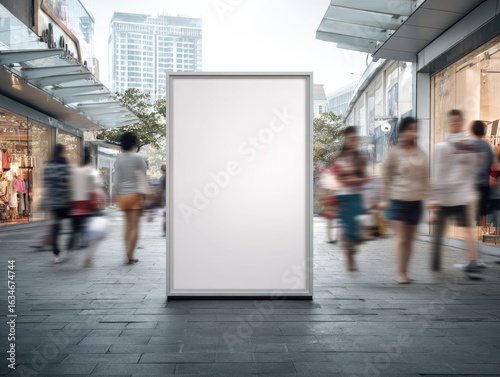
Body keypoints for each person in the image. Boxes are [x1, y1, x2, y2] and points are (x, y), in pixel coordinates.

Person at [429, 110, 483, 273]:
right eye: (452, 121)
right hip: (445, 196)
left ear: (461, 122)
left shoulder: (468, 144)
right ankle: (436, 263)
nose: (455, 123)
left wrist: (465, 153)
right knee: (439, 232)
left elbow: (475, 165)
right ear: (448, 123)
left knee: (467, 229)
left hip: (463, 195)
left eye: (458, 121)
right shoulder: (442, 146)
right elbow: (437, 172)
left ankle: (473, 261)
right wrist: (435, 198)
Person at [380, 117, 429, 284]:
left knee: (410, 239)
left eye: (415, 129)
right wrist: (384, 199)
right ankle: (400, 272)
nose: (412, 133)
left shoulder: (420, 153)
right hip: (397, 200)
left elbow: (425, 178)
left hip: (416, 201)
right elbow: (386, 177)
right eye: (409, 129)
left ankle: (405, 271)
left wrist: (429, 200)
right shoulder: (394, 153)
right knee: (401, 238)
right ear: (401, 132)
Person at [332, 126, 371, 271]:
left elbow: (365, 178)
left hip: (358, 197)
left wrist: (353, 178)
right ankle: (349, 257)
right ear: (345, 140)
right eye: (350, 139)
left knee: (358, 231)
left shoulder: (361, 158)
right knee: (348, 227)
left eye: (356, 139)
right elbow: (341, 181)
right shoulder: (339, 159)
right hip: (343, 197)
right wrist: (356, 179)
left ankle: (351, 253)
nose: (353, 141)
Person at [114, 132, 148, 264]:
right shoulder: (139, 158)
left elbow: (116, 180)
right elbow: (143, 178)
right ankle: (130, 255)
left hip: (123, 196)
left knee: (127, 226)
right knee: (135, 227)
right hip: (135, 195)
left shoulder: (119, 159)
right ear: (135, 143)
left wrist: (119, 195)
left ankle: (126, 251)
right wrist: (144, 198)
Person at [67, 147, 102, 266]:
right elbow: (96, 189)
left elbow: (70, 188)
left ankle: (70, 255)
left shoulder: (75, 171)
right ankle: (88, 258)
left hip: (75, 207)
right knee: (93, 233)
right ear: (90, 159)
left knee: (74, 231)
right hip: (88, 207)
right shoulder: (91, 171)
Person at [43, 144, 72, 263]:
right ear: (62, 152)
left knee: (56, 228)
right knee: (75, 226)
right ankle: (69, 249)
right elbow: (68, 183)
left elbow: (46, 185)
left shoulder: (48, 167)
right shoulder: (64, 165)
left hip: (53, 202)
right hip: (65, 202)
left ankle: (56, 254)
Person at [471, 121, 494, 230]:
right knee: (483, 210)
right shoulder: (488, 147)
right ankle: (483, 228)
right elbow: (492, 164)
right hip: (484, 184)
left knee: (471, 211)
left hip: (472, 184)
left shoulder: (469, 145)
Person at [158, 164, 167, 237]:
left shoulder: (162, 178)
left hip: (166, 198)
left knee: (166, 216)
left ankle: (165, 231)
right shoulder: (163, 178)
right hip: (166, 198)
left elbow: (160, 190)